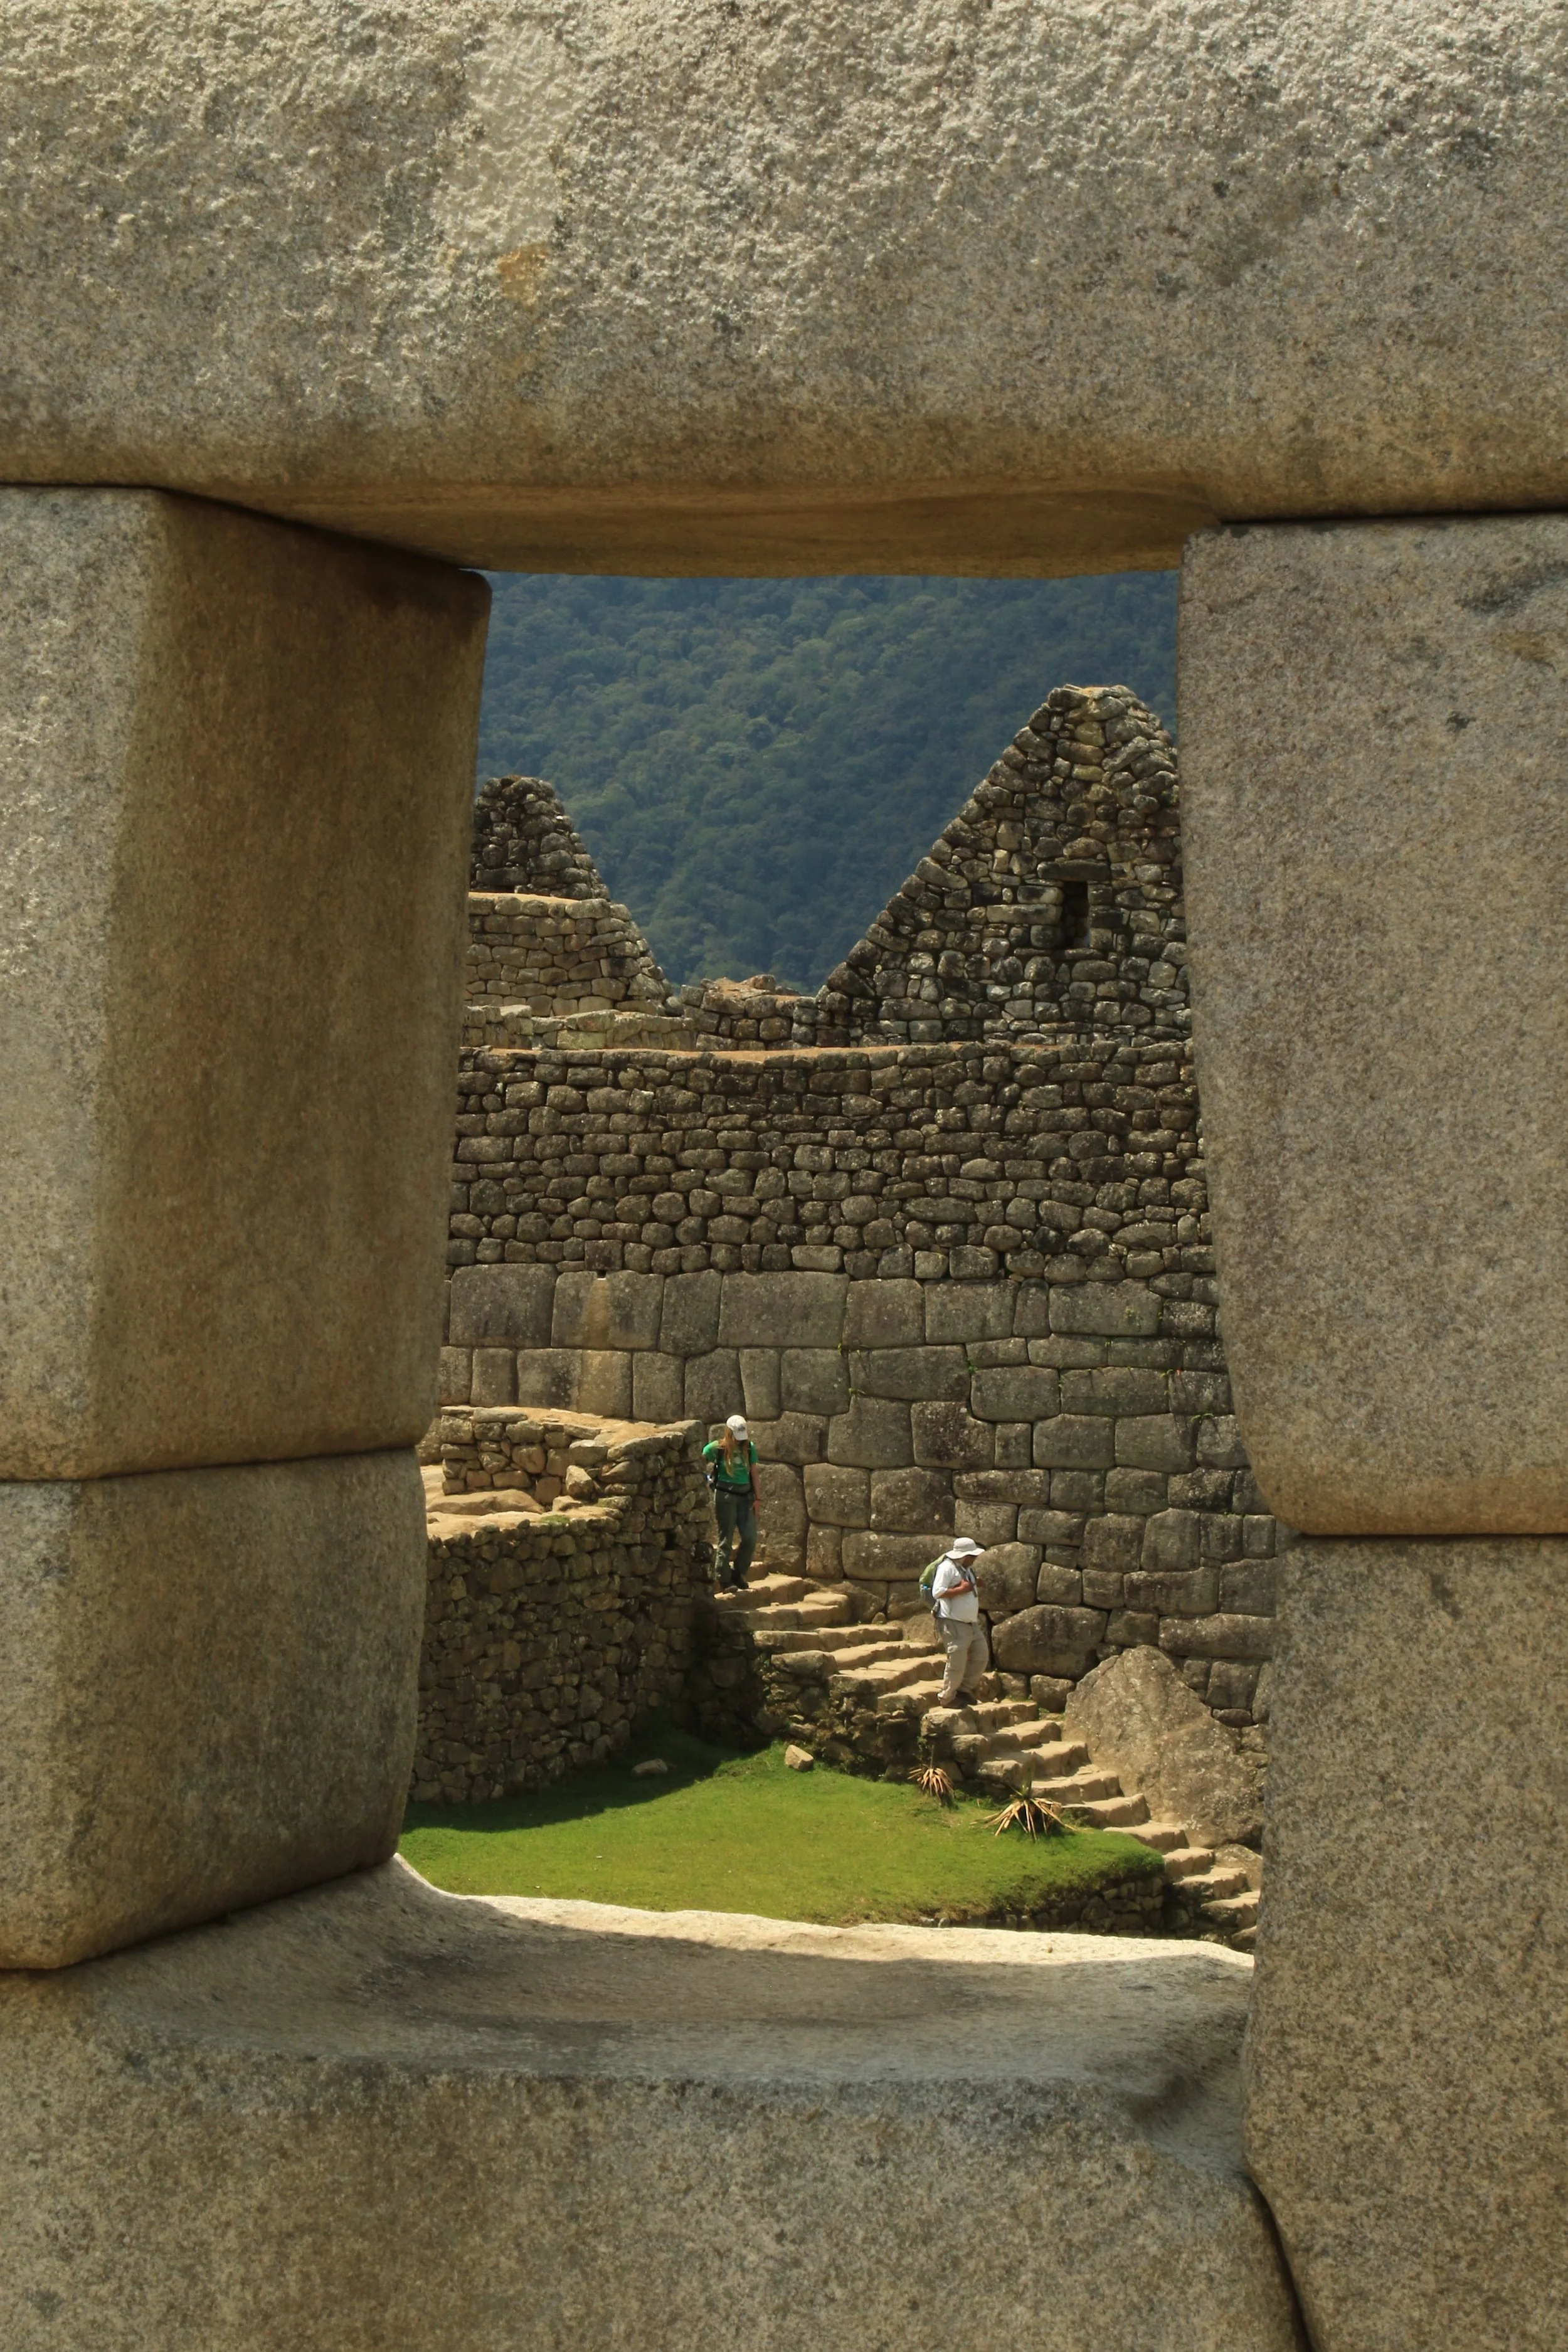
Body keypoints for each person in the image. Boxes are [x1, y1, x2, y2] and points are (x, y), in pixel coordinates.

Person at [923, 1534, 989, 1705]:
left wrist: (975, 1584)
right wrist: (962, 1589)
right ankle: (948, 1697)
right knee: (956, 1662)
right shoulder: (947, 1568)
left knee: (981, 1656)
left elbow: (967, 1587)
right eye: (972, 1556)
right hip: (952, 1622)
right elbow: (937, 1592)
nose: (975, 1558)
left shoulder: (966, 1569)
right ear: (964, 1555)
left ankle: (963, 1690)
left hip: (970, 1623)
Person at [704, 1412, 761, 1591]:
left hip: (746, 1497)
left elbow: (754, 1474)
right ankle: (724, 1578)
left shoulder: (749, 1448)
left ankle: (739, 1572)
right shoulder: (717, 1448)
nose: (739, 1441)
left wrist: (758, 1498)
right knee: (725, 1539)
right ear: (729, 1433)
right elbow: (700, 1459)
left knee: (750, 1538)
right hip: (725, 1496)